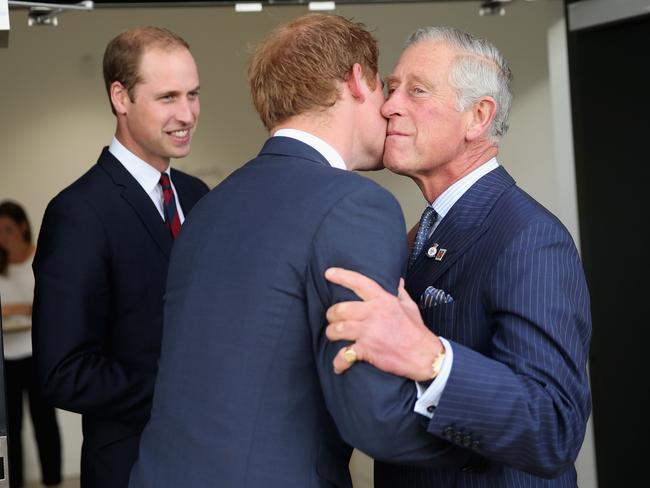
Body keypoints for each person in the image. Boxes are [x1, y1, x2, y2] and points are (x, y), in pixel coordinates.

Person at [130, 14, 463, 488]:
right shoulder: (355, 204)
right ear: (354, 80)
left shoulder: (208, 206)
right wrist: (490, 437)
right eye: (383, 87)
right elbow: (374, 415)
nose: (390, 109)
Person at [324, 27, 592, 486]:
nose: (388, 106)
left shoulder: (530, 238)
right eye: (390, 89)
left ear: (477, 117)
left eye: (417, 90)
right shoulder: (419, 233)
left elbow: (554, 427)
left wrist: (431, 358)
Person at [31, 27, 209, 488]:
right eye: (168, 97)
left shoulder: (198, 195)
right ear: (120, 96)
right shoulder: (79, 212)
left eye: (193, 95)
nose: (187, 113)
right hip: (130, 468)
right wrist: (183, 393)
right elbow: (63, 372)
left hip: (211, 458)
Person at [0, 201, 61, 488]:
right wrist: (9, 311)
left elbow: (53, 304)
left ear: (22, 227)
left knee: (44, 424)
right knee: (10, 429)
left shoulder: (41, 258)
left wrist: (28, 309)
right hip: (6, 359)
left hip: (38, 355)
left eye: (8, 230)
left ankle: (52, 482)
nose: (3, 237)